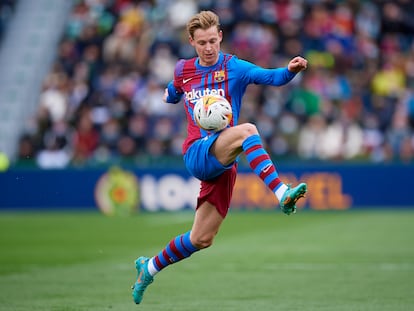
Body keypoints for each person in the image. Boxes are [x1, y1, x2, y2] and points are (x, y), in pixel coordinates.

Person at [131, 10, 308, 304]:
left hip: (223, 162)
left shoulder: (234, 67)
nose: (209, 48)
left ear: (221, 36)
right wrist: (168, 96)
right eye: (202, 43)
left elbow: (271, 77)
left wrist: (290, 70)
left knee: (201, 239)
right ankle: (281, 192)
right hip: (197, 152)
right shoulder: (183, 69)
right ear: (192, 42)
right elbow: (175, 91)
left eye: (213, 41)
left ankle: (148, 267)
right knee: (247, 130)